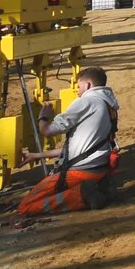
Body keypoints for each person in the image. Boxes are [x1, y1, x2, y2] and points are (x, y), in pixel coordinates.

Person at [14, 65, 120, 218]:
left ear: (88, 85)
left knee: (25, 207)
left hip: (80, 172)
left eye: (78, 86)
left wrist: (43, 117)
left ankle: (83, 195)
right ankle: (100, 188)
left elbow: (47, 131)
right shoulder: (109, 105)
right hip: (100, 169)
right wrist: (37, 155)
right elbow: (78, 150)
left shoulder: (86, 102)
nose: (77, 91)